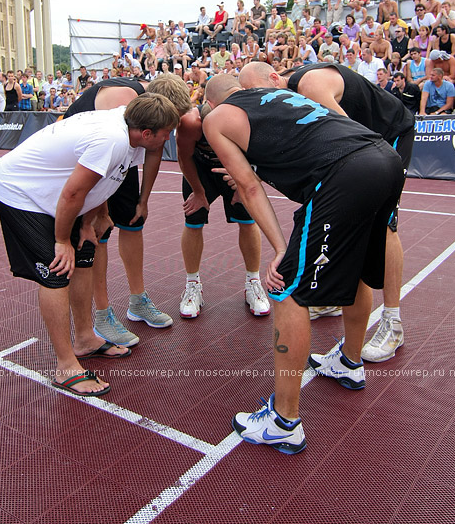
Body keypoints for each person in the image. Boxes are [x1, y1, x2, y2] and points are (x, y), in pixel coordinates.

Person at [203, 74, 404, 454]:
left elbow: (247, 187)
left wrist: (280, 247)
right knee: (357, 266)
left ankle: (283, 421)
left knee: (288, 290)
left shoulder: (217, 119)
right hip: (384, 157)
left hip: (344, 172)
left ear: (212, 104)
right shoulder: (278, 96)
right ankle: (348, 362)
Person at [0, 94, 180, 397]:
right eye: (166, 132)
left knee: (84, 256)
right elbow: (73, 193)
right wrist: (62, 240)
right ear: (147, 134)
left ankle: (85, 338)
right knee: (57, 270)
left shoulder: (131, 128)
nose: (169, 137)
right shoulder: (112, 140)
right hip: (21, 192)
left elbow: (102, 183)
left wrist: (88, 222)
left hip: (59, 198)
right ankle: (66, 366)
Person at [239, 61, 414, 361]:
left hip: (387, 134)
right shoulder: (291, 94)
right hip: (365, 142)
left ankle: (392, 321)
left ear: (274, 78)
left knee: (383, 225)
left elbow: (350, 143)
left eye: (256, 93)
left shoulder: (309, 86)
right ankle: (337, 299)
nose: (257, 103)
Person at [63, 75, 192, 346]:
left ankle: (138, 301)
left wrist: (143, 199)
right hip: (87, 157)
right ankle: (101, 314)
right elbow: (101, 171)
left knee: (134, 220)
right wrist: (100, 211)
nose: (168, 133)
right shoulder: (120, 108)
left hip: (115, 153)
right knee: (99, 231)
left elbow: (154, 151)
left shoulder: (149, 117)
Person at [176, 100, 269, 319]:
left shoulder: (247, 119)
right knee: (193, 221)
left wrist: (247, 183)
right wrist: (198, 192)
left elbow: (265, 159)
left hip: (235, 168)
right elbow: (183, 157)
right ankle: (192, 285)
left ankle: (253, 282)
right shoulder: (190, 122)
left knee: (248, 221)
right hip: (200, 170)